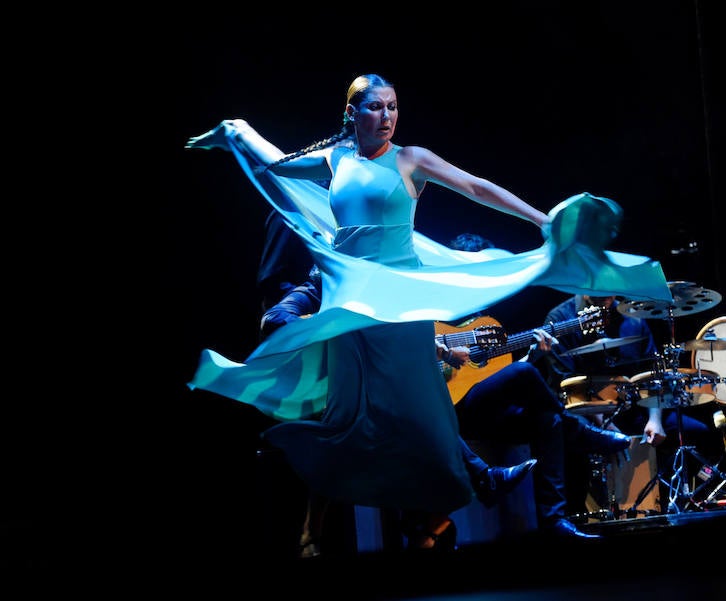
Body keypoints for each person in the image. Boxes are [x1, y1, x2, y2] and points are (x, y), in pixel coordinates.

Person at [184, 73, 673, 531]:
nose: (387, 116)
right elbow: (278, 166)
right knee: (354, 408)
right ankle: (414, 502)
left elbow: (476, 187)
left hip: (397, 296)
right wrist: (237, 133)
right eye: (375, 107)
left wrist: (539, 219)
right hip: (349, 294)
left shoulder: (410, 159)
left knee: (420, 399)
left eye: (393, 107)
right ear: (352, 112)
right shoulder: (335, 157)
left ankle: (463, 491)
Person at [257, 221, 538, 556]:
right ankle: (458, 495)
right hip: (328, 393)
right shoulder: (318, 288)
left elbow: (406, 338)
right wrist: (325, 333)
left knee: (410, 398)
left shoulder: (381, 295)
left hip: (376, 395)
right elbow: (274, 319)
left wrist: (445, 350)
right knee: (353, 418)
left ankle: (441, 511)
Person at [440, 233, 632, 537]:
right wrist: (447, 354)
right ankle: (579, 431)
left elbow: (491, 376)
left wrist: (531, 357)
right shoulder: (436, 308)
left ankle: (553, 521)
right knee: (522, 376)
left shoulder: (481, 318)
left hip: (484, 410)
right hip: (449, 412)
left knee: (548, 417)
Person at [525, 293, 720, 513]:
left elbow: (651, 376)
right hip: (584, 413)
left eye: (610, 289)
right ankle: (578, 515)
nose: (607, 295)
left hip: (631, 409)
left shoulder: (633, 317)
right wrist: (606, 429)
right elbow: (569, 387)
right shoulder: (561, 318)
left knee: (697, 432)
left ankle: (673, 502)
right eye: (600, 289)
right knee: (569, 437)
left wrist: (655, 420)